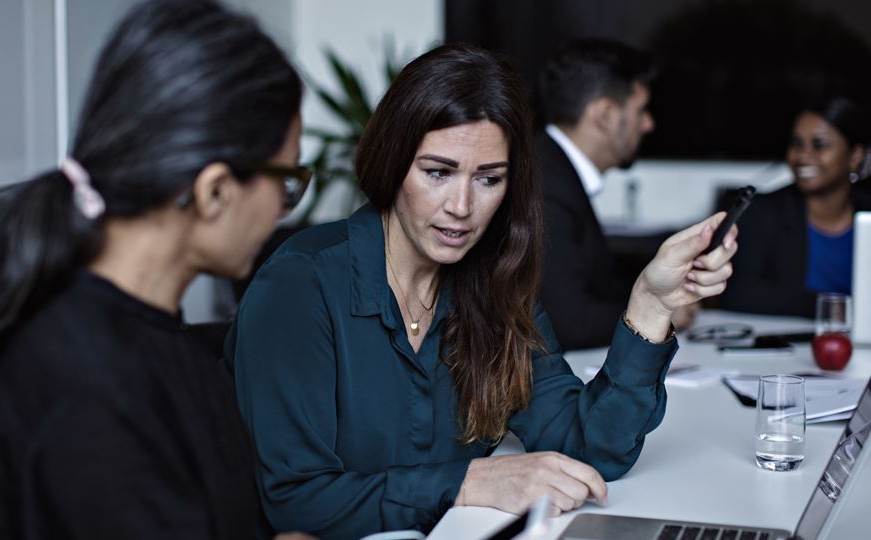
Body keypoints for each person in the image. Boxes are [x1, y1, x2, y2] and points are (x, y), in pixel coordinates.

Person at [229, 43, 738, 538]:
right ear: (392, 162)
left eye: (489, 179)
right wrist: (469, 483)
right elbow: (295, 501)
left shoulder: (496, 280)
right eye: (438, 172)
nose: (462, 206)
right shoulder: (301, 284)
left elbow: (589, 449)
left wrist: (649, 305)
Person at [0, 1, 311, 538]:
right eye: (285, 181)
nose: (283, 209)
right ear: (214, 191)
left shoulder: (155, 337)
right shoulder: (85, 391)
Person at [535, 39, 696, 350]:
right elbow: (569, 324)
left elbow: (595, 289)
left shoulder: (553, 168)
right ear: (606, 115)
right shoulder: (545, 185)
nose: (649, 124)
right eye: (641, 110)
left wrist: (660, 295)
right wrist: (659, 314)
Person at [720, 96, 871, 317]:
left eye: (819, 145)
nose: (802, 156)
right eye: (797, 144)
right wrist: (834, 308)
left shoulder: (867, 214)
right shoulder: (762, 212)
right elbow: (737, 293)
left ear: (855, 157)